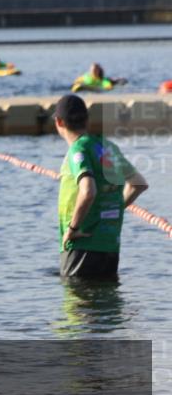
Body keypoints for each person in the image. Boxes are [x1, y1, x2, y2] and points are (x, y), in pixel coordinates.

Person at [54, 94, 148, 280]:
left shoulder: (77, 150)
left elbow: (88, 191)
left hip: (82, 242)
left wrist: (72, 229)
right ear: (87, 120)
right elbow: (138, 183)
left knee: (77, 303)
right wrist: (114, 208)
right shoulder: (108, 147)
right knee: (108, 305)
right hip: (110, 244)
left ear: (59, 122)